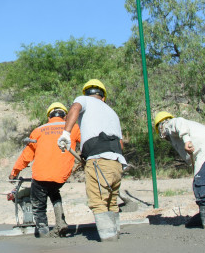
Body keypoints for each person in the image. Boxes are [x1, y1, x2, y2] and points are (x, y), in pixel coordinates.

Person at [57, 79, 126, 241]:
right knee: (111, 201)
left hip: (98, 160)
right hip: (116, 161)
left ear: (86, 93)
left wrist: (66, 133)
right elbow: (121, 143)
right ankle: (115, 234)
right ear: (103, 97)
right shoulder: (112, 112)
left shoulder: (84, 100)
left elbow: (75, 108)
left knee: (98, 201)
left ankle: (108, 240)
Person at [10, 102, 81, 237]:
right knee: (53, 191)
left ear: (49, 117)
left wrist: (14, 173)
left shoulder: (39, 130)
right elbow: (86, 143)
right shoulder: (73, 127)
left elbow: (26, 156)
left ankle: (43, 230)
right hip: (61, 176)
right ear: (65, 116)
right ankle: (60, 220)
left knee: (39, 203)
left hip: (41, 176)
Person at [152, 111, 205, 228]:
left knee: (204, 190)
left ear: (160, 127)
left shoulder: (169, 124)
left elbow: (179, 122)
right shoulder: (191, 126)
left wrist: (187, 140)